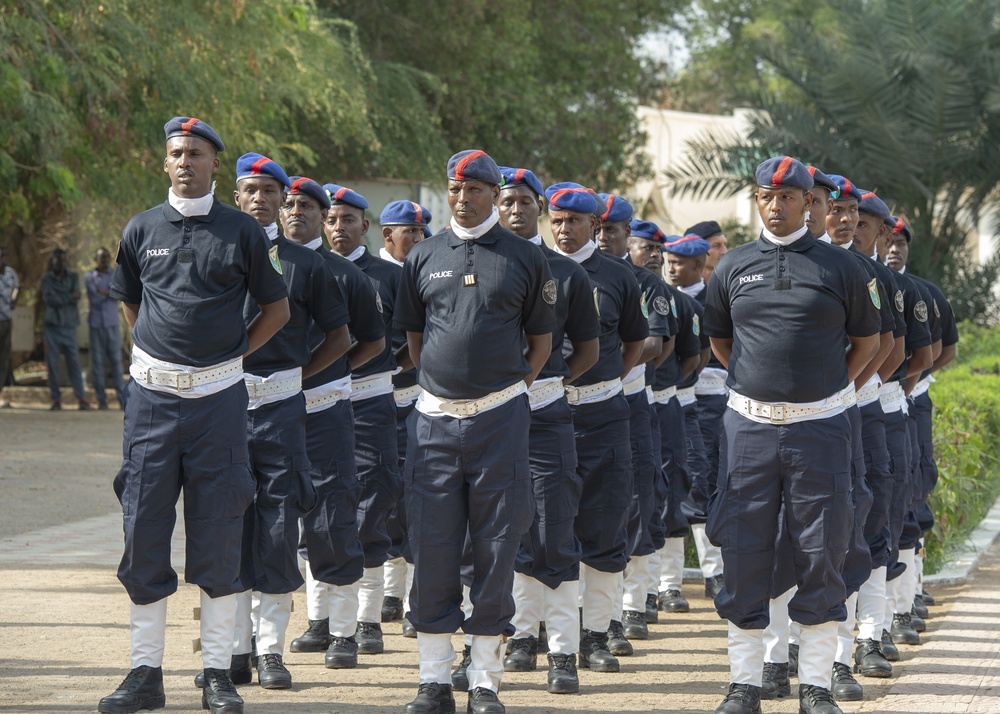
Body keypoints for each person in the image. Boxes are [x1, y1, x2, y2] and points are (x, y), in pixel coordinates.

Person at [100, 116, 290, 714]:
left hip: (219, 403)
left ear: (216, 164)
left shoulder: (242, 232)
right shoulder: (140, 228)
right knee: (144, 531)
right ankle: (143, 673)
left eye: (197, 153)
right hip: (152, 403)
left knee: (219, 532)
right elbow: (133, 302)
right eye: (176, 153)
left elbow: (276, 309)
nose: (185, 161)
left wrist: (230, 355)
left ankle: (216, 674)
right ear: (165, 163)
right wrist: (159, 356)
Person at [703, 156, 880, 714]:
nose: (776, 207)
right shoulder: (732, 266)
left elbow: (867, 345)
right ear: (757, 201)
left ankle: (817, 686)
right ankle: (745, 683)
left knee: (822, 550)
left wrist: (822, 393)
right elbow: (722, 344)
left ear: (811, 203)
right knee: (744, 548)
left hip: (819, 431)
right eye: (766, 197)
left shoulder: (842, 269)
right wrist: (764, 394)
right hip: (748, 432)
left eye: (787, 197)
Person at [393, 149, 555, 714]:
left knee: (496, 544)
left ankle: (484, 678)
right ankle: (434, 680)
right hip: (434, 421)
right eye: (456, 189)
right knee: (433, 544)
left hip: (500, 419)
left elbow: (541, 342)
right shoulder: (424, 255)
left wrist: (505, 389)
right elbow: (416, 336)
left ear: (495, 193)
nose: (464, 199)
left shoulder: (524, 258)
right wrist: (443, 386)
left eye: (476, 190)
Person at [215, 154, 350, 691]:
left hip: (281, 411)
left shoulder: (306, 264)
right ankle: (235, 649)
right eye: (252, 190)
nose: (264, 200)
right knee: (226, 525)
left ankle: (270, 649)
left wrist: (295, 376)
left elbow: (339, 338)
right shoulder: (215, 251)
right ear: (237, 195)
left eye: (274, 192)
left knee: (277, 527)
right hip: (220, 406)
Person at [497, 166, 600, 694]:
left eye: (525, 202)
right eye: (507, 201)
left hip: (546, 414)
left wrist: (548, 385)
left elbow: (588, 349)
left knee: (554, 526)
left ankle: (562, 650)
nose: (516, 211)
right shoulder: (480, 263)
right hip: (487, 419)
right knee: (504, 529)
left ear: (540, 207)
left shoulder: (566, 273)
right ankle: (519, 636)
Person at [281, 179, 385, 670]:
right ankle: (314, 621)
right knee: (282, 519)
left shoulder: (346, 274)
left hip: (326, 409)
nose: (294, 212)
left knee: (333, 517)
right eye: (290, 204)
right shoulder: (264, 265)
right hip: (271, 412)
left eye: (306, 205)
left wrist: (319, 377)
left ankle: (345, 631)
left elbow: (368, 342)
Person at [545, 181, 647, 675]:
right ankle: (529, 633)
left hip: (603, 411)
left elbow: (634, 344)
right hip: (545, 411)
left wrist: (599, 381)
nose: (565, 230)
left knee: (605, 524)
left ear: (595, 227)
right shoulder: (531, 266)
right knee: (543, 525)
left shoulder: (618, 276)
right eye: (558, 220)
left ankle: (595, 634)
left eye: (577, 222)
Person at [323, 183, 405, 657]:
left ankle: (368, 620)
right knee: (322, 504)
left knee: (374, 501)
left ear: (365, 227)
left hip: (375, 398)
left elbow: (409, 340)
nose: (338, 228)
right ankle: (321, 619)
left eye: (347, 220)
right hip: (319, 401)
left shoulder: (386, 277)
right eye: (331, 219)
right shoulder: (307, 267)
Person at [595, 193, 674, 650]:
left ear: (628, 234)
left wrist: (600, 364)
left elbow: (653, 346)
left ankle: (632, 604)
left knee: (637, 499)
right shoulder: (567, 270)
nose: (604, 236)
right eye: (599, 228)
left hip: (628, 401)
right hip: (576, 403)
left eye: (612, 230)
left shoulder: (644, 283)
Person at [377, 200, 432, 632]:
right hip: (370, 400)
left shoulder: (428, 272)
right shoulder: (372, 275)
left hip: (415, 397)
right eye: (407, 232)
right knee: (380, 501)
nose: (415, 239)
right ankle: (387, 596)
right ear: (387, 236)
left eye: (419, 232)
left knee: (418, 501)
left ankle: (414, 596)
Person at [41, 248, 89, 410]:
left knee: (74, 363)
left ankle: (81, 398)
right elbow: (49, 299)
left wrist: (62, 297)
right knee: (52, 365)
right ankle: (56, 400)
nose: (61, 263)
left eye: (63, 260)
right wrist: (69, 297)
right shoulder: (46, 278)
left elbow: (76, 296)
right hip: (52, 327)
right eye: (58, 260)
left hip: (69, 326)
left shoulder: (73, 277)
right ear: (53, 261)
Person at [85, 247, 128, 409]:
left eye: (106, 257)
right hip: (96, 325)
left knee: (116, 363)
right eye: (101, 257)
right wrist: (107, 293)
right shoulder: (89, 276)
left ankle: (122, 400)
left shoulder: (115, 274)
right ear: (95, 259)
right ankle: (101, 400)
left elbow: (117, 294)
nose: (104, 260)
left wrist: (104, 292)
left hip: (112, 324)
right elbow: (94, 298)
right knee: (97, 364)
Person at [0, 245, 19, 408]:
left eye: (5, 256)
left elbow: (17, 287)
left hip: (6, 319)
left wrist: (14, 299)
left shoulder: (10, 273)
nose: (3, 260)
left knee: (4, 357)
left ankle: (1, 393)